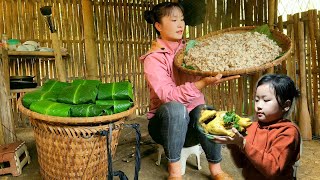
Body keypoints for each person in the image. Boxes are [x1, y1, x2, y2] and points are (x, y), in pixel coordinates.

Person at [140, 2, 239, 180]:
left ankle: (216, 170)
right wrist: (201, 84)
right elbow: (168, 96)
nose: (180, 24)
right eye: (174, 20)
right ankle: (175, 173)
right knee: (175, 108)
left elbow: (205, 73)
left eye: (182, 19)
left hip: (192, 131)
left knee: (207, 111)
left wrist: (220, 73)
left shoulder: (191, 50)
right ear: (158, 26)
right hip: (163, 127)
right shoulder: (153, 59)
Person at [214, 74, 301, 180]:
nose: (259, 106)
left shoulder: (288, 132)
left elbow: (272, 169)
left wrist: (243, 143)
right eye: (256, 100)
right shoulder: (252, 127)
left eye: (266, 100)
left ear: (286, 105)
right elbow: (241, 163)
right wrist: (234, 144)